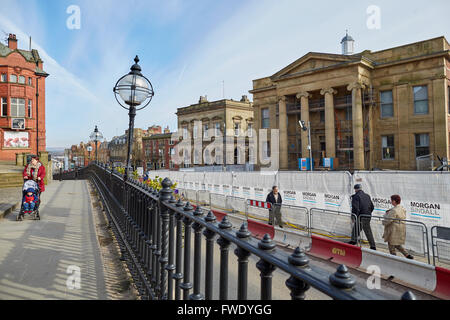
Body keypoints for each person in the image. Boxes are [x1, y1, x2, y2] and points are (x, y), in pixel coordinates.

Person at [382, 195, 414, 259]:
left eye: (391, 200)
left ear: (394, 201)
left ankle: (393, 257)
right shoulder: (402, 208)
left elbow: (389, 220)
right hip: (401, 228)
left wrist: (383, 221)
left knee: (391, 243)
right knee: (396, 244)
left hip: (393, 229)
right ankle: (407, 255)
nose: (391, 201)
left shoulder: (394, 210)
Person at [348, 184, 376, 250]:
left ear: (355, 189)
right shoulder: (367, 196)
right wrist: (368, 213)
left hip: (361, 216)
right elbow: (372, 207)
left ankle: (373, 246)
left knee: (367, 231)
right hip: (367, 215)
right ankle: (353, 240)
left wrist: (354, 217)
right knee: (356, 228)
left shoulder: (356, 196)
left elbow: (355, 208)